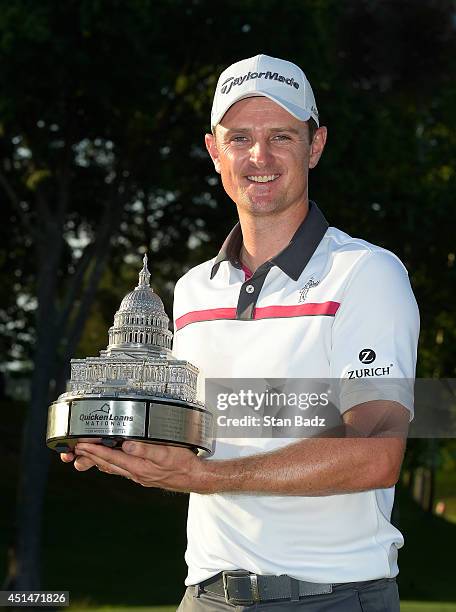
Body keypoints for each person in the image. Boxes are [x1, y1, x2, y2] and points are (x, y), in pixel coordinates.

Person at [62, 54, 419, 611]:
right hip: (205, 595)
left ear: (315, 145)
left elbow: (375, 453)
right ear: (214, 151)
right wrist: (121, 441)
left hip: (331, 595)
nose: (260, 157)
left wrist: (202, 477)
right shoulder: (192, 291)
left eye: (281, 135)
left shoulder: (367, 273)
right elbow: (204, 436)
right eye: (239, 138)